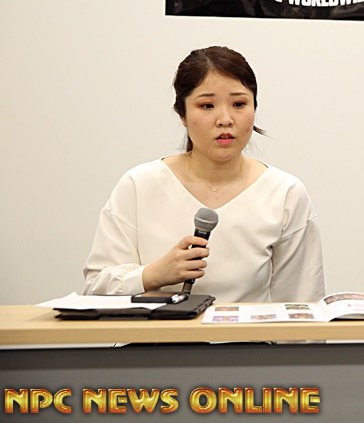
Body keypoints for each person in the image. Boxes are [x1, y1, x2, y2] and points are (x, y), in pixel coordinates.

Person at [83, 46, 324, 303]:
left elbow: (303, 304)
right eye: (207, 105)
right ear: (182, 114)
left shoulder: (285, 193)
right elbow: (95, 287)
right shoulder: (138, 185)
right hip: (156, 330)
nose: (225, 119)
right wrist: (153, 275)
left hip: (247, 330)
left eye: (239, 104)